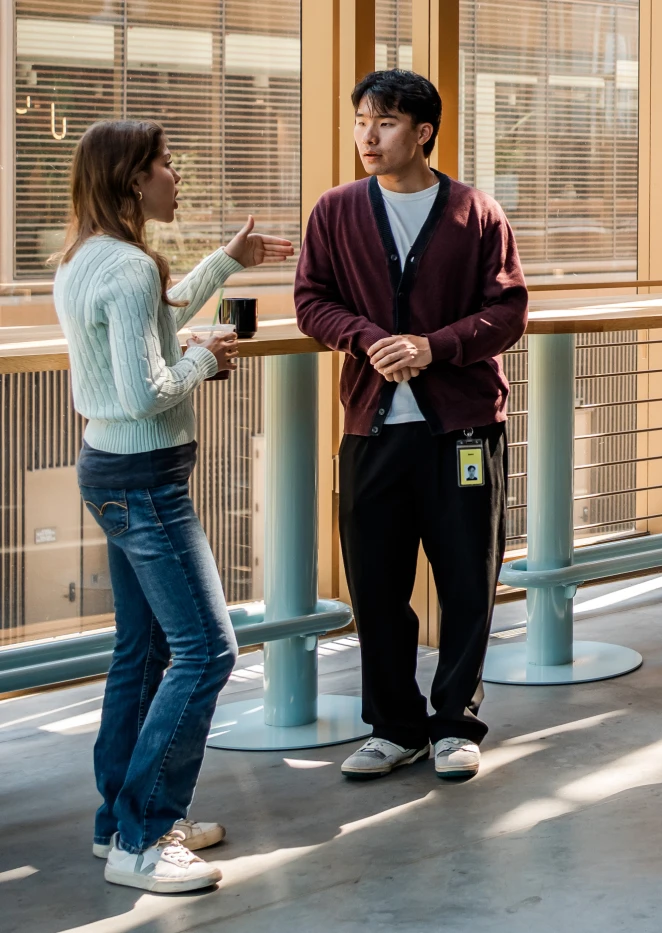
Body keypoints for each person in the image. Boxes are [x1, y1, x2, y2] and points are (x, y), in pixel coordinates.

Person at [54, 120, 293, 891]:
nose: (174, 174)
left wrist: (226, 260)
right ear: (132, 180)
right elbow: (143, 390)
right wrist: (204, 356)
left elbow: (158, 307)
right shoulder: (126, 267)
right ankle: (145, 837)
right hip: (145, 479)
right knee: (208, 650)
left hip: (112, 471)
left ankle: (116, 821)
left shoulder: (87, 259)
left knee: (146, 650)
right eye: (163, 164)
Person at [294, 70, 527, 781]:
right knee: (376, 582)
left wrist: (434, 346)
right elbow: (311, 301)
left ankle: (455, 722)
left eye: (386, 122)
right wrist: (367, 337)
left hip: (461, 429)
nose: (368, 135)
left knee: (466, 578)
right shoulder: (335, 211)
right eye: (362, 119)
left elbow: (508, 311)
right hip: (372, 428)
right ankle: (395, 726)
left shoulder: (476, 212)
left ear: (423, 132)